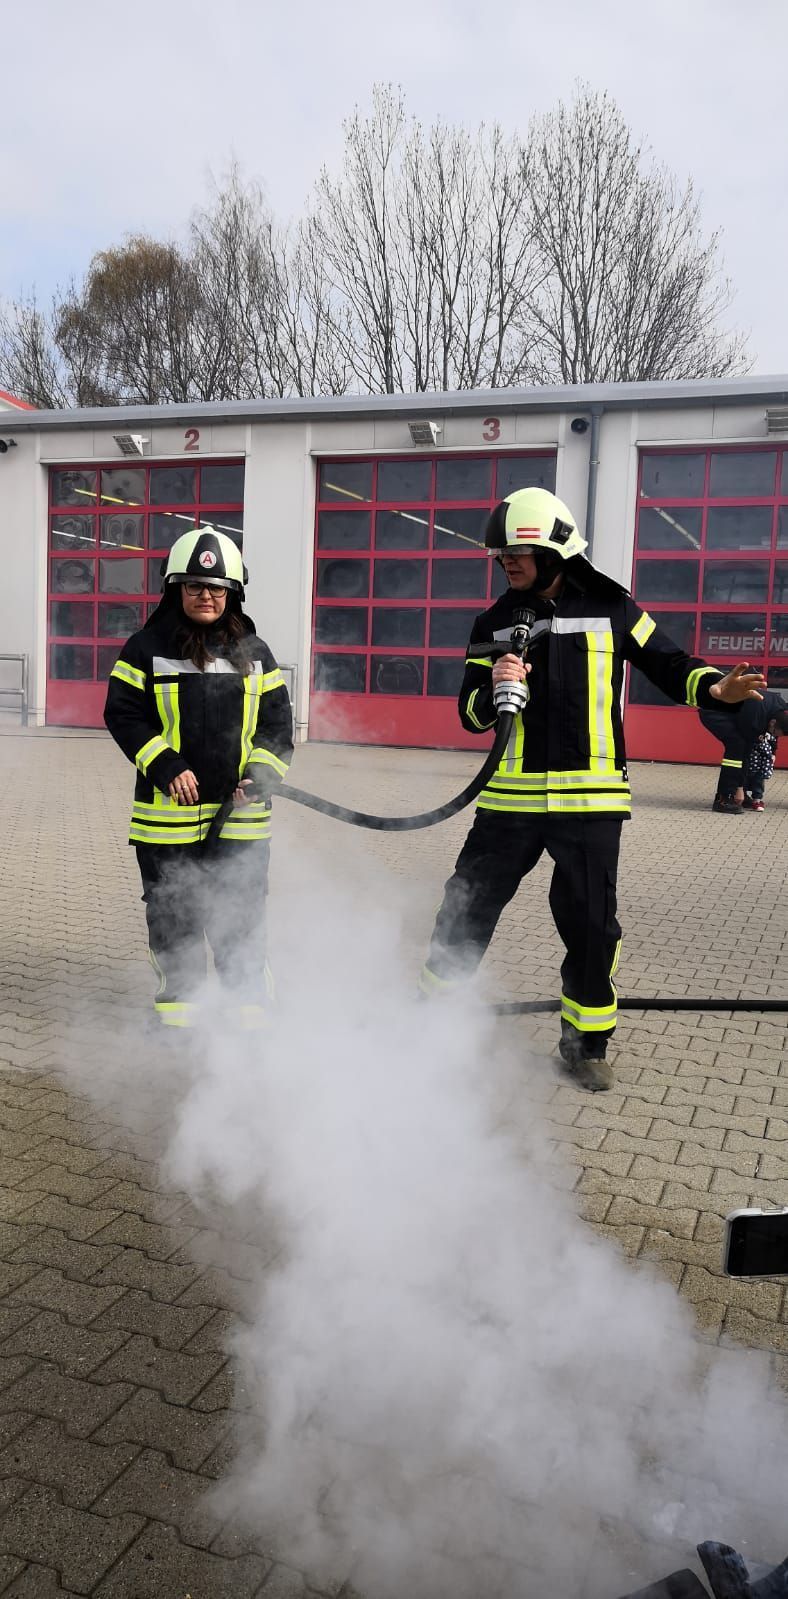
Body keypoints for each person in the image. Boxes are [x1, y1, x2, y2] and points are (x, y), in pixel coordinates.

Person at [419, 487, 766, 1092]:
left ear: (557, 551)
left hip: (591, 800)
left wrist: (714, 689)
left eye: (518, 552)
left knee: (590, 927)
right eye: (501, 553)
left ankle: (584, 1047)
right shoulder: (495, 622)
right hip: (510, 800)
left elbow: (670, 663)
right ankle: (428, 1027)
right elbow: (470, 714)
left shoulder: (613, 607)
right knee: (464, 908)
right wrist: (493, 686)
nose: (507, 562)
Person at [104, 527, 293, 1029]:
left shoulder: (256, 653)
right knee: (174, 919)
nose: (205, 596)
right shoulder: (145, 648)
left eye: (216, 588)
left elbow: (277, 727)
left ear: (232, 593)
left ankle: (249, 1014)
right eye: (194, 586)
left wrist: (261, 775)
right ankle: (179, 1019)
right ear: (175, 590)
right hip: (168, 821)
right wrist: (165, 765)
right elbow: (123, 714)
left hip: (242, 820)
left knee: (241, 919)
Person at [698, 692, 788, 814]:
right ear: (772, 722)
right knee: (737, 747)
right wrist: (739, 787)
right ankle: (723, 799)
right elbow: (745, 754)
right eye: (774, 732)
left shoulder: (779, 710)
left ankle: (737, 793)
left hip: (735, 711)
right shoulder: (755, 719)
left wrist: (773, 752)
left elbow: (773, 734)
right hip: (713, 711)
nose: (773, 736)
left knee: (741, 746)